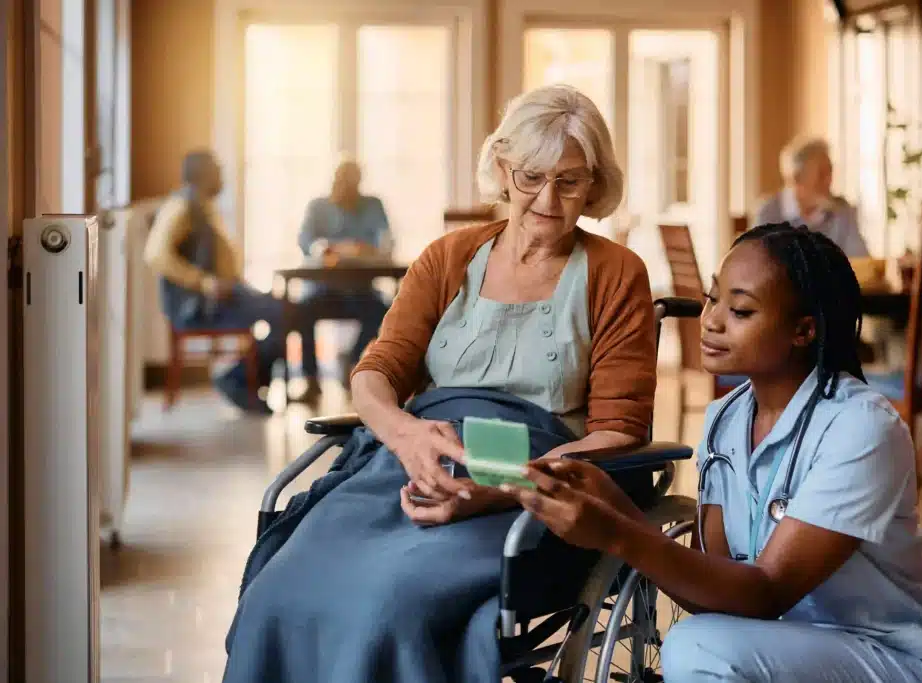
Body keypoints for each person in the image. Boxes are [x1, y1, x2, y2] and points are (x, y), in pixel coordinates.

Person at [222, 84, 657, 683]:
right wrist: (403, 435)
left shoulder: (614, 273)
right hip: (416, 455)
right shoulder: (448, 257)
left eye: (570, 181)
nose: (548, 200)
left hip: (539, 475)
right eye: (531, 177)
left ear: (595, 184)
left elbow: (617, 433)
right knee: (280, 590)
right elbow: (375, 372)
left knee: (389, 606)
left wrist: (505, 487)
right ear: (502, 171)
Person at [502, 222, 922, 683]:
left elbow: (767, 590)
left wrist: (618, 534)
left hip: (890, 656)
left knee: (697, 649)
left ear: (803, 330)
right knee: (703, 639)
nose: (710, 321)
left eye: (741, 311)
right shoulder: (725, 420)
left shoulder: (861, 428)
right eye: (712, 299)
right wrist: (618, 507)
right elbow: (714, 591)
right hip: (784, 646)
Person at [144, 150, 307, 414]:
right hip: (201, 306)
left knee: (286, 310)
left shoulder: (202, 205)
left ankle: (247, 379)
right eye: (217, 169)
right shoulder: (181, 207)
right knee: (283, 311)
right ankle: (238, 380)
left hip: (226, 295)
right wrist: (205, 282)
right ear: (203, 174)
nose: (222, 176)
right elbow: (155, 253)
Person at [295, 159, 393, 395]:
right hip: (323, 290)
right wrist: (322, 248)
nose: (345, 187)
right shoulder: (317, 207)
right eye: (340, 181)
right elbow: (305, 241)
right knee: (301, 312)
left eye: (351, 182)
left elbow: (385, 241)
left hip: (361, 290)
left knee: (385, 311)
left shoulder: (372, 205)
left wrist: (366, 249)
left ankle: (353, 362)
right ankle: (310, 378)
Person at [754, 136, 869, 258]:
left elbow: (861, 262)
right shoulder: (768, 213)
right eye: (821, 174)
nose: (829, 180)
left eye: (830, 171)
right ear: (796, 178)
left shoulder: (842, 210)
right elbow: (762, 268)